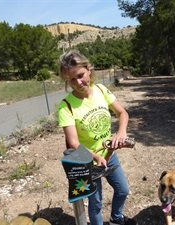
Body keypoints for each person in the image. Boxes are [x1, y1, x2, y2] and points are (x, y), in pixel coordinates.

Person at [58, 50, 137, 225]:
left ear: (88, 69)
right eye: (72, 79)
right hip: (88, 163)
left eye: (81, 75)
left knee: (123, 190)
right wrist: (95, 157)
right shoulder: (66, 107)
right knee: (96, 204)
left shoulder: (101, 90)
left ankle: (116, 219)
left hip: (110, 155)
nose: (78, 82)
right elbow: (73, 142)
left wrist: (121, 132)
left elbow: (122, 112)